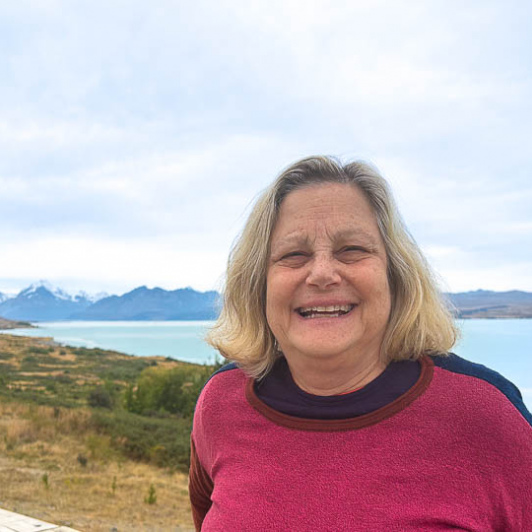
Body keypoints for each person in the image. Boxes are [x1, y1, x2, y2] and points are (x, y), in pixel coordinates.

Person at [189, 156, 532, 531]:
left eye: (351, 249)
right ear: (259, 283)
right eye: (294, 255)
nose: (321, 274)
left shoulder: (485, 415)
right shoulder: (221, 403)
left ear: (394, 274)